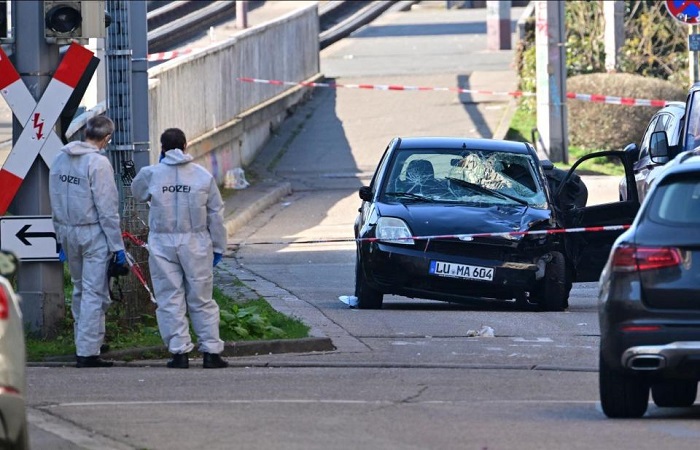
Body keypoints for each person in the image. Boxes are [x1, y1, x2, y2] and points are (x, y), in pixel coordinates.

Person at [131, 128, 228, 369]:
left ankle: (179, 352)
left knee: (169, 297)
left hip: (163, 242)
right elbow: (216, 213)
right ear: (185, 145)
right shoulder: (202, 176)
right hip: (196, 241)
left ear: (161, 147)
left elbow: (137, 192)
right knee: (201, 297)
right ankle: (211, 352)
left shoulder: (151, 174)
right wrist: (219, 247)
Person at [49, 115, 126, 368]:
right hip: (93, 234)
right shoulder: (98, 163)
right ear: (106, 138)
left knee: (81, 289)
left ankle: (88, 340)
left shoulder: (60, 158)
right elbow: (107, 209)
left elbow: (55, 199)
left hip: (68, 232)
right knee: (95, 293)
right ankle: (88, 352)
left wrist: (59, 237)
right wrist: (118, 248)